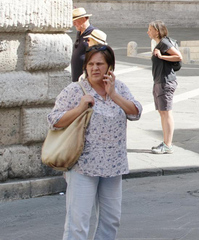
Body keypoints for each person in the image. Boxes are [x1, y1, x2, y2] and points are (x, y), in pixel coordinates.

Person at [48, 45, 142, 240]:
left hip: (113, 165)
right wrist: (81, 107)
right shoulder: (74, 90)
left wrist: (114, 94)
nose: (94, 68)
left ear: (110, 67)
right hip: (83, 165)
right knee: (78, 223)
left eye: (100, 64)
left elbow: (135, 112)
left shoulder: (120, 88)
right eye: (90, 64)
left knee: (111, 220)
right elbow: (54, 121)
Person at [148, 20, 182, 154]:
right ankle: (165, 142)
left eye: (150, 29)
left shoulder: (164, 43)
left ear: (157, 31)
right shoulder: (158, 43)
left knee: (166, 113)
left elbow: (178, 56)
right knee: (162, 112)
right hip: (159, 80)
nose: (148, 32)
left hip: (165, 81)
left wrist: (161, 56)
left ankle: (168, 145)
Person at [70, 7, 96, 82]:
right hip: (76, 77)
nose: (73, 24)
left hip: (86, 78)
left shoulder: (93, 33)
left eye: (76, 21)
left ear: (84, 19)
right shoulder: (79, 33)